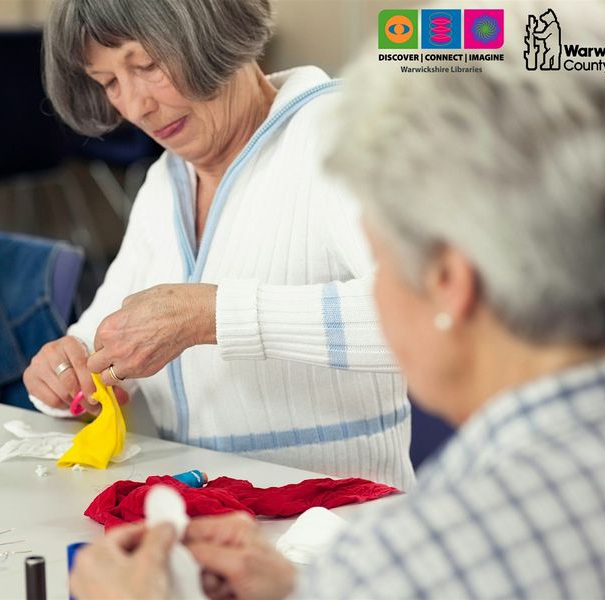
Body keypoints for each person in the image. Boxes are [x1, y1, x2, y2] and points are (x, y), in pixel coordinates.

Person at [68, 2, 605, 598]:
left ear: (449, 283)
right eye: (109, 82)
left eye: (388, 261)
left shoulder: (410, 558)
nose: (134, 103)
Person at [26, 0, 412, 489]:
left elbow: (428, 316)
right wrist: (66, 372)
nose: (136, 106)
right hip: (215, 524)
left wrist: (212, 315)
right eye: (109, 83)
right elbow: (102, 335)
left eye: (146, 65)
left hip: (340, 524)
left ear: (208, 32)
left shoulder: (341, 138)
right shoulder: (166, 183)